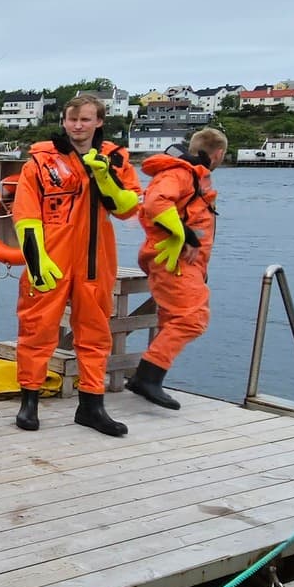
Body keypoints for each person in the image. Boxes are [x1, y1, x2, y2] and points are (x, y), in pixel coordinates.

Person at [10, 93, 141, 437]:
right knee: (37, 330)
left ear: (99, 121)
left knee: (96, 334)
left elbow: (127, 208)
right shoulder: (39, 163)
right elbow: (25, 215)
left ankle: (92, 405)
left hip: (95, 261)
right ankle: (29, 401)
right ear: (64, 121)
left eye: (85, 119)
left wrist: (105, 178)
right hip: (50, 258)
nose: (78, 125)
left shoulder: (114, 159)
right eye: (72, 119)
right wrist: (36, 260)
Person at [126, 127, 226, 409]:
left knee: (171, 319)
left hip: (186, 262)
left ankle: (150, 377)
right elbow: (156, 203)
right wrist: (186, 234)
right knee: (193, 319)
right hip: (174, 260)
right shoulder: (181, 173)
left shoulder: (192, 176)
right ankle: (147, 376)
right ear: (218, 154)